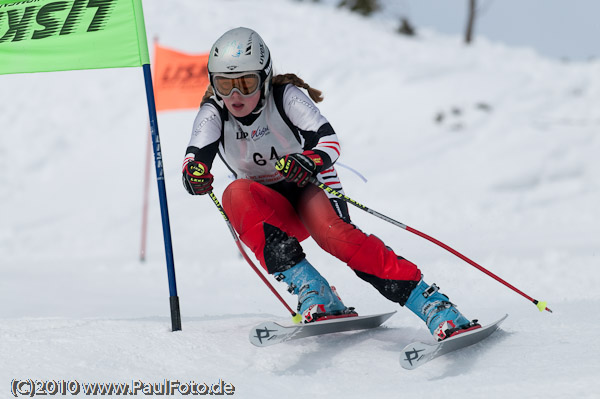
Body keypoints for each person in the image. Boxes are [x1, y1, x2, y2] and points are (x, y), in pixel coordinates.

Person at [182, 27, 480, 341]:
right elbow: (194, 158)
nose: (235, 96)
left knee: (336, 238)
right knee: (234, 193)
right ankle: (316, 292)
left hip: (310, 190)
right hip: (273, 213)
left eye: (246, 83)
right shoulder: (212, 114)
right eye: (224, 85)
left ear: (266, 77)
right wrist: (195, 176)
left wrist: (309, 160)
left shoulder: (286, 97)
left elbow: (328, 140)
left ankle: (434, 305)